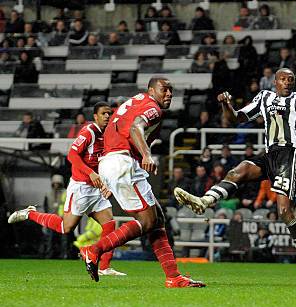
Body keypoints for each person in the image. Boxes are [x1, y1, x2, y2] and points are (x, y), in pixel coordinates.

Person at [174, 68, 296, 285]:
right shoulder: (264, 97)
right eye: (283, 79)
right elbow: (236, 118)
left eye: (291, 79)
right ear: (274, 82)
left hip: (291, 153)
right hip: (270, 153)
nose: (287, 83)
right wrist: (225, 104)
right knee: (238, 171)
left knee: (284, 211)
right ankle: (205, 201)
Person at [78, 77, 205, 288]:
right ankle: (94, 250)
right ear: (151, 90)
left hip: (113, 161)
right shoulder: (152, 108)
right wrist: (146, 154)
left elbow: (121, 127)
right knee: (147, 222)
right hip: (123, 162)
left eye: (171, 90)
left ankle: (173, 277)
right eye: (164, 90)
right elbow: (136, 127)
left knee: (157, 219)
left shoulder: (135, 100)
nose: (169, 94)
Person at [8, 103, 125, 276]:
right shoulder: (89, 131)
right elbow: (72, 155)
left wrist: (107, 183)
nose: (107, 116)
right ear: (95, 116)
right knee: (66, 227)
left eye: (110, 113)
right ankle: (30, 213)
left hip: (96, 189)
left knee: (110, 225)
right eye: (103, 113)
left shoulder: (109, 135)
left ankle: (104, 267)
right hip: (81, 188)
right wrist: (90, 173)